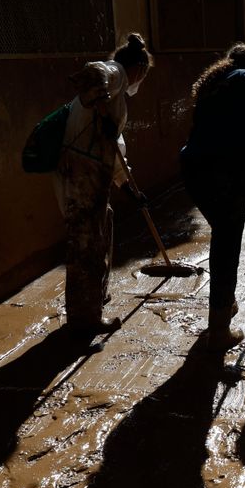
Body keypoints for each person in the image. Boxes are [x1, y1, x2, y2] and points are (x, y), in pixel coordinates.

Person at [180, 43, 245, 352]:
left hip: (196, 169)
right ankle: (219, 329)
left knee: (223, 234)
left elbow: (218, 148)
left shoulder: (214, 91)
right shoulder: (239, 81)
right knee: (226, 244)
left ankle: (225, 304)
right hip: (218, 173)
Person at [55, 33, 152, 336]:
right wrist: (100, 102)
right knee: (86, 245)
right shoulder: (115, 73)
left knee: (98, 233)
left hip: (91, 172)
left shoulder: (118, 92)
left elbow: (115, 151)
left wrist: (129, 190)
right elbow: (91, 73)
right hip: (82, 173)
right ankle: (85, 320)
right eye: (144, 74)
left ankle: (92, 303)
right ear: (138, 68)